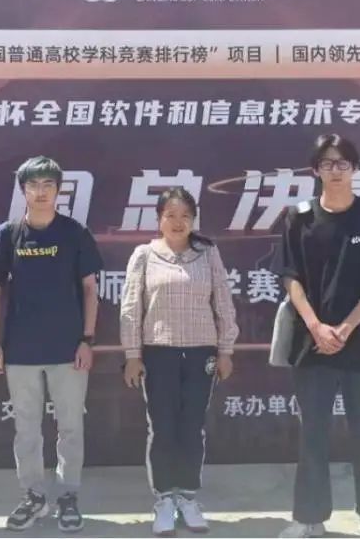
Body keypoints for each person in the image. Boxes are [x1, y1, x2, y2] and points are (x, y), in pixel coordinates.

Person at [276, 135, 360, 539]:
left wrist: (347, 327)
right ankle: (308, 518)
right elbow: (291, 279)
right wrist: (316, 326)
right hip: (312, 345)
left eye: (342, 163)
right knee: (312, 436)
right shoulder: (298, 218)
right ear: (315, 170)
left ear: (355, 169)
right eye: (327, 163)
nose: (335, 170)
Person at [0, 157, 103, 533]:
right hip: (19, 350)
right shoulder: (6, 235)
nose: (40, 192)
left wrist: (87, 339)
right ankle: (33, 496)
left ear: (58, 190)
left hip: (68, 349)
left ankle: (68, 495)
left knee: (70, 427)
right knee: (27, 429)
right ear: (23, 190)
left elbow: (90, 290)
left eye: (48, 185)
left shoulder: (74, 233)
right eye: (33, 185)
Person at [120, 187, 239, 537]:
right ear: (159, 218)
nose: (177, 222)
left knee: (192, 427)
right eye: (170, 215)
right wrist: (132, 355)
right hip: (159, 354)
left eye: (185, 216)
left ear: (194, 220)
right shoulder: (144, 255)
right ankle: (163, 499)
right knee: (162, 428)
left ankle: (187, 497)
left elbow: (223, 302)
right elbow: (131, 308)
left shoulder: (208, 254)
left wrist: (226, 350)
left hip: (202, 353)